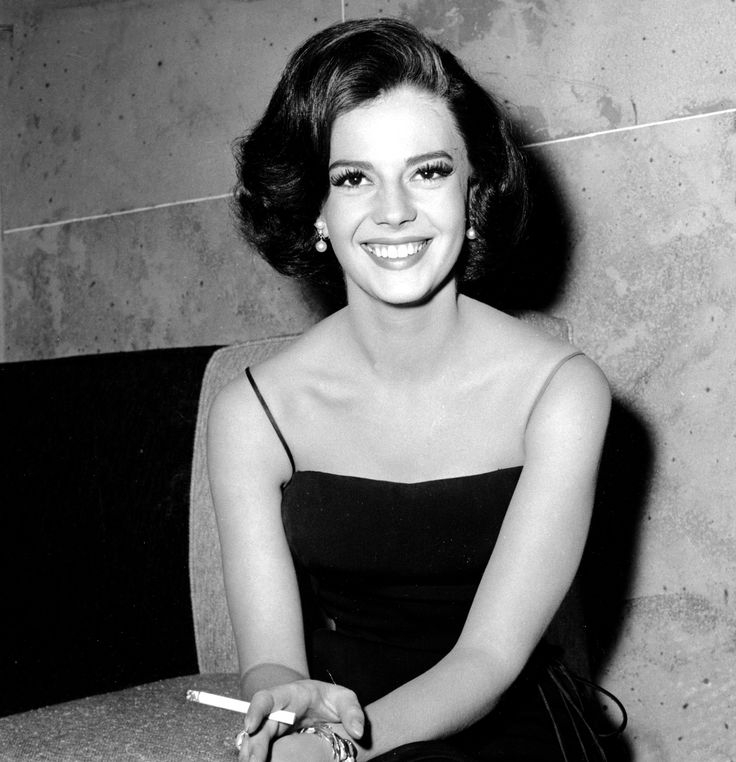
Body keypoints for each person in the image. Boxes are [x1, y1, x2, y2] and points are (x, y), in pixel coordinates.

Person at [208, 17, 617, 762]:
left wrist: (350, 748)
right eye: (353, 178)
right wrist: (288, 699)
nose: (393, 210)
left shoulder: (563, 392)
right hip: (339, 709)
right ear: (316, 212)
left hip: (505, 724)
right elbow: (270, 656)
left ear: (474, 191)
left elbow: (489, 658)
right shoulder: (252, 414)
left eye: (427, 171)